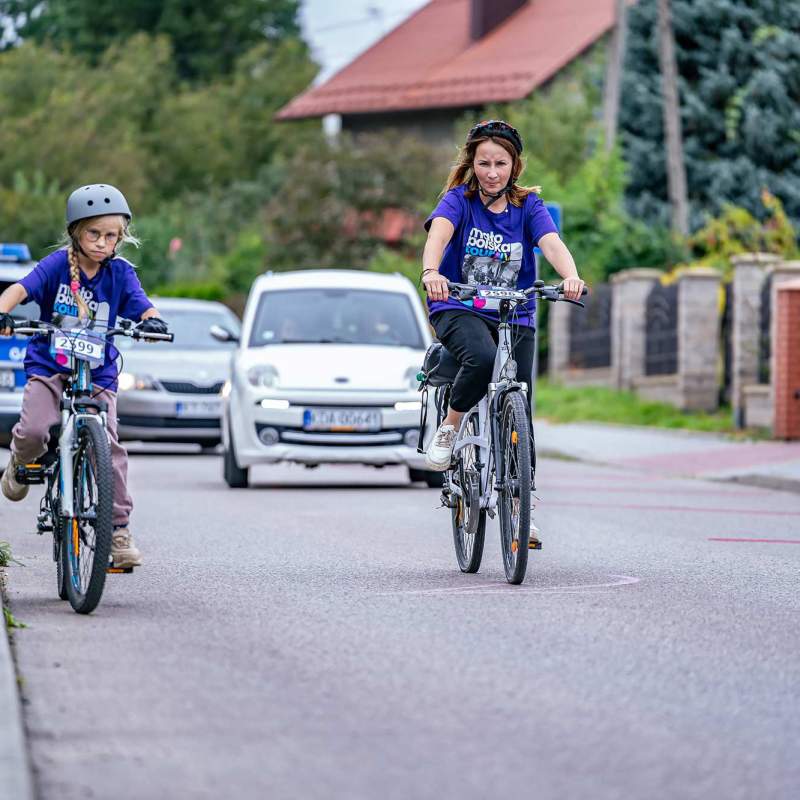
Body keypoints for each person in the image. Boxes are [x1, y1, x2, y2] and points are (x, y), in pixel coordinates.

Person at [0, 184, 168, 568]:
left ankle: (119, 530)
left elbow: (143, 306)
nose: (102, 242)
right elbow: (19, 290)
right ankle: (20, 460)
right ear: (76, 231)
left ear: (120, 237)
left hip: (98, 373)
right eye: (94, 233)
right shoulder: (56, 266)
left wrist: (153, 322)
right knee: (35, 430)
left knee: (108, 445)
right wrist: (3, 313)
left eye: (111, 235)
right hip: (50, 366)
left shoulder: (121, 274)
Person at [421, 120, 585, 476]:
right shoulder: (459, 201)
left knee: (519, 405)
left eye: (500, 164)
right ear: (472, 164)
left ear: (514, 165)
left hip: (513, 310)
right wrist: (431, 273)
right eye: (484, 163)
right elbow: (438, 234)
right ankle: (450, 427)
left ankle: (520, 502)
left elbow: (551, 243)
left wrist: (570, 276)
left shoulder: (528, 206)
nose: (492, 173)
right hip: (458, 305)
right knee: (482, 357)